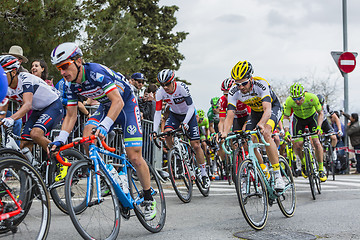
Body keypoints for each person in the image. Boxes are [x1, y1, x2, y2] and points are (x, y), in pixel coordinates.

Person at [48, 42, 156, 220]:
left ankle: (148, 197)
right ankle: (109, 175)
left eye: (64, 66)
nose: (62, 72)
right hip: (106, 107)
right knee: (87, 137)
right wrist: (60, 139)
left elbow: (119, 102)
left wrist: (105, 126)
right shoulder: (70, 85)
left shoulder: (95, 72)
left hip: (126, 104)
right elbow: (71, 115)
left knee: (135, 157)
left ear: (78, 61)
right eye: (58, 68)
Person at [220, 60, 285, 190]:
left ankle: (278, 175)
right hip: (255, 112)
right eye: (237, 84)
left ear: (251, 78)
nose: (241, 87)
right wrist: (224, 133)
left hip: (272, 109)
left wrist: (261, 124)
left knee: (266, 132)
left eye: (244, 83)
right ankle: (263, 169)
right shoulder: (234, 91)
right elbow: (230, 115)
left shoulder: (261, 84)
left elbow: (267, 110)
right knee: (247, 140)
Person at [152, 69, 211, 188]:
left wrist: (185, 122)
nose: (165, 87)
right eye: (162, 85)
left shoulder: (182, 88)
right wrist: (154, 130)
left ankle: (204, 174)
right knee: (167, 133)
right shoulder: (160, 92)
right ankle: (177, 155)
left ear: (173, 81)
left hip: (189, 115)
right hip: (174, 115)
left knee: (196, 145)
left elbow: (191, 107)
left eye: (167, 84)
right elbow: (158, 112)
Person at [0, 54, 64, 161]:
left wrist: (11, 119)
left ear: (13, 72)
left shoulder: (25, 79)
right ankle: (31, 172)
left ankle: (61, 160)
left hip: (53, 106)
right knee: (24, 143)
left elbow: (27, 104)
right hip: (38, 110)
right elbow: (3, 107)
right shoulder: (6, 87)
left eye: (2, 74)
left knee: (36, 134)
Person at [283, 83, 327, 182]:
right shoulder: (289, 101)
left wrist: (319, 127)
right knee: (298, 144)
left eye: (299, 98)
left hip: (312, 119)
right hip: (298, 120)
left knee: (316, 141)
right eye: (295, 99)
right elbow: (286, 117)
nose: (297, 101)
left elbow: (320, 113)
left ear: (304, 95)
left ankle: (320, 169)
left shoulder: (312, 98)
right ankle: (303, 163)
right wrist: (286, 132)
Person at [317, 94, 343, 163]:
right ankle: (320, 162)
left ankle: (333, 150)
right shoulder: (312, 108)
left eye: (322, 105)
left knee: (334, 138)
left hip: (324, 122)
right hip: (315, 123)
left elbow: (336, 118)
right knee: (316, 143)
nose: (321, 107)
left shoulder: (326, 107)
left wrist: (340, 129)